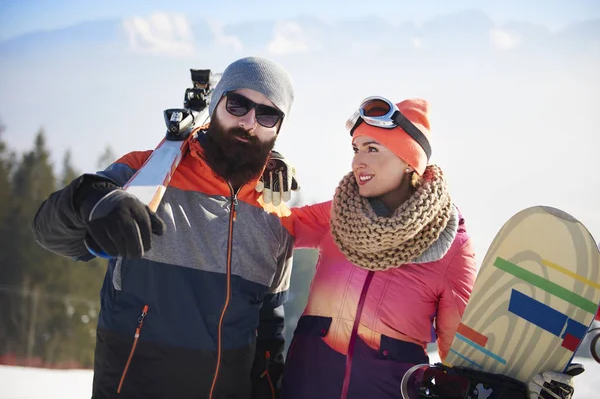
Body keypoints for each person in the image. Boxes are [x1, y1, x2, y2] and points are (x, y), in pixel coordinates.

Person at [278, 96, 583, 399]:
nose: (358, 161)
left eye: (373, 149)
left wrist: (528, 390)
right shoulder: (339, 215)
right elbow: (265, 225)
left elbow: (465, 363)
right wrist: (264, 172)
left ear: (409, 161)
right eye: (356, 149)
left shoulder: (451, 246)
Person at [32, 56, 296, 399]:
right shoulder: (147, 176)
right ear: (216, 105)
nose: (249, 122)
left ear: (277, 128)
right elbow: (48, 231)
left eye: (267, 114)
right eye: (238, 104)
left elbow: (268, 335)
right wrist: (89, 199)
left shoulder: (274, 215)